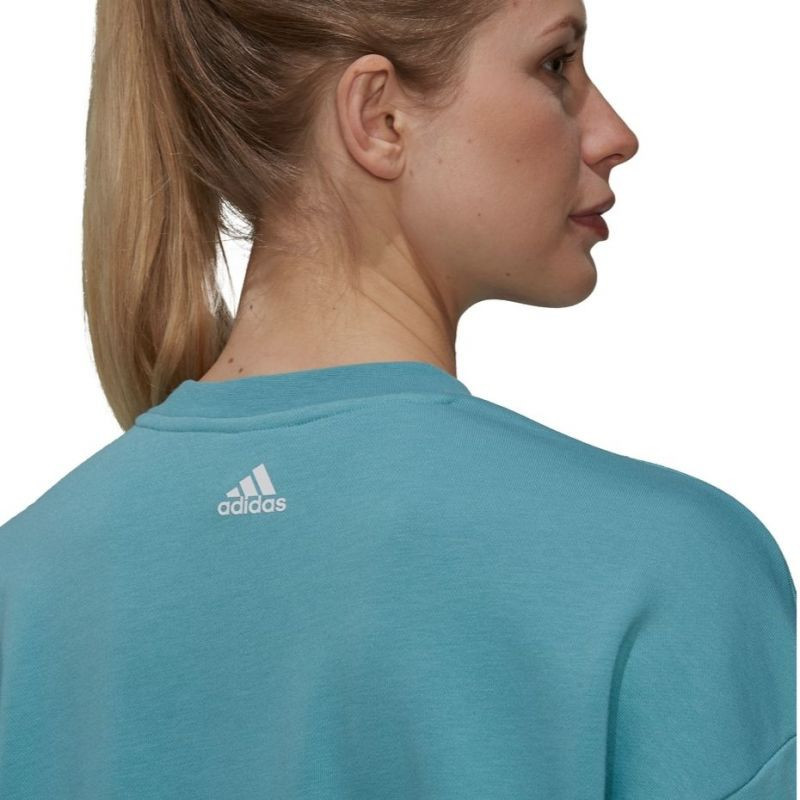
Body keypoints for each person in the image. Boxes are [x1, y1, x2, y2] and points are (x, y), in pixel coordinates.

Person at [0, 0, 794, 797]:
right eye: (555, 64)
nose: (616, 134)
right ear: (378, 117)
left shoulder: (22, 586)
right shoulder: (669, 570)